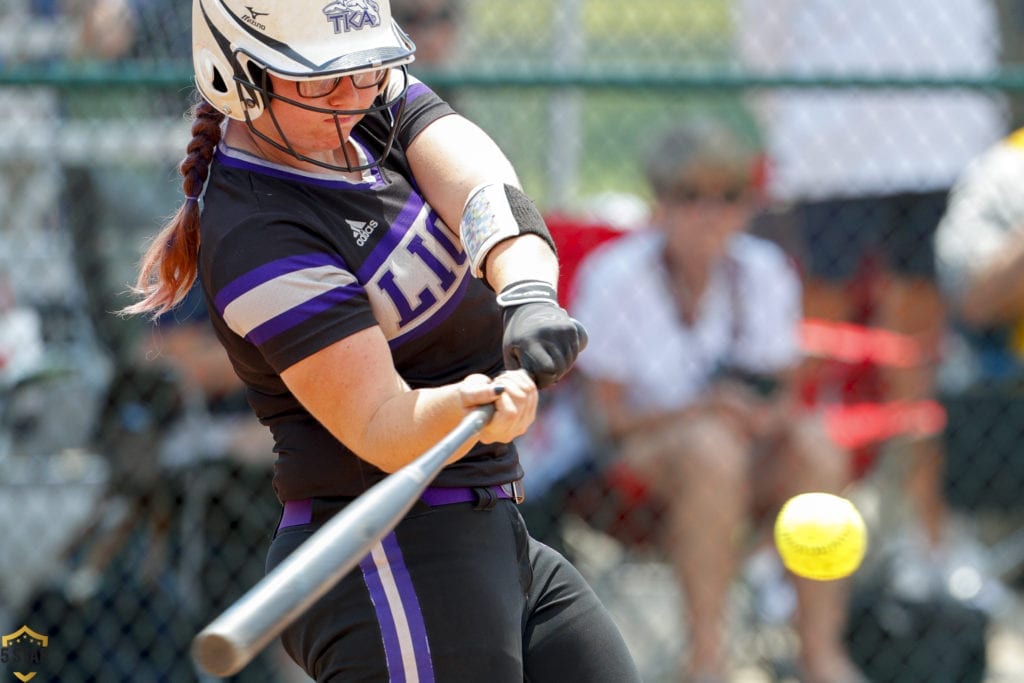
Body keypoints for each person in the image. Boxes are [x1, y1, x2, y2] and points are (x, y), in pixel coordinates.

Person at [122, 1, 639, 681]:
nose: (351, 92)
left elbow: (484, 187)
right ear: (238, 76)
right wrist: (473, 403)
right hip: (388, 555)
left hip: (486, 524)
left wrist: (526, 292)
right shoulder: (258, 235)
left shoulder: (361, 98)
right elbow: (379, 421)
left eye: (366, 68)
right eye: (320, 79)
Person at [570, 120, 862, 683]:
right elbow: (607, 418)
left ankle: (821, 655)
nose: (711, 214)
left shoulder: (763, 270)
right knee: (711, 450)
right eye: (690, 197)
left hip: (737, 452)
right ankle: (707, 662)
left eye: (727, 197)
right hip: (630, 458)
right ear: (661, 202)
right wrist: (706, 409)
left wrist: (764, 415)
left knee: (817, 449)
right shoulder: (615, 275)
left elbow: (783, 393)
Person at [735, 0, 1007, 551]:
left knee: (917, 356)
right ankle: (770, 544)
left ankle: (927, 544)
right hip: (832, 142)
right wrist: (791, 115)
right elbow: (762, 28)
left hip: (942, 134)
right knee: (812, 341)